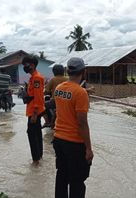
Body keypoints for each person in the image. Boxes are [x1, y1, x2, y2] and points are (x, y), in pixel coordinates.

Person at [53, 57, 93, 198]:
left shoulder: (59, 89)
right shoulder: (80, 92)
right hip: (74, 143)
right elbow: (82, 123)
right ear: (84, 71)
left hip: (58, 139)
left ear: (67, 71)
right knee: (77, 181)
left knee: (62, 176)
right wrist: (88, 148)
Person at [22, 55, 45, 166]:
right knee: (36, 132)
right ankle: (39, 156)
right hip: (33, 109)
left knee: (31, 134)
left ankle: (36, 161)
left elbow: (38, 97)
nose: (24, 67)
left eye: (26, 65)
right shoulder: (32, 78)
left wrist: (35, 114)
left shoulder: (37, 78)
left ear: (32, 65)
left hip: (34, 111)